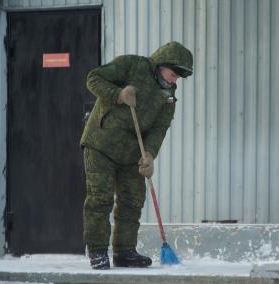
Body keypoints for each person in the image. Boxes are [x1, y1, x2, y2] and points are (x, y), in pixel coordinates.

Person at [80, 41, 193, 269]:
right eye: (173, 75)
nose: (174, 81)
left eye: (178, 78)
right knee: (100, 198)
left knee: (132, 200)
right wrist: (118, 94)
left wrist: (149, 155)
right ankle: (98, 252)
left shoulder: (168, 96)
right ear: (162, 65)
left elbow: (159, 128)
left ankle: (124, 252)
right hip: (101, 143)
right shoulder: (131, 65)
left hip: (133, 152)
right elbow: (93, 78)